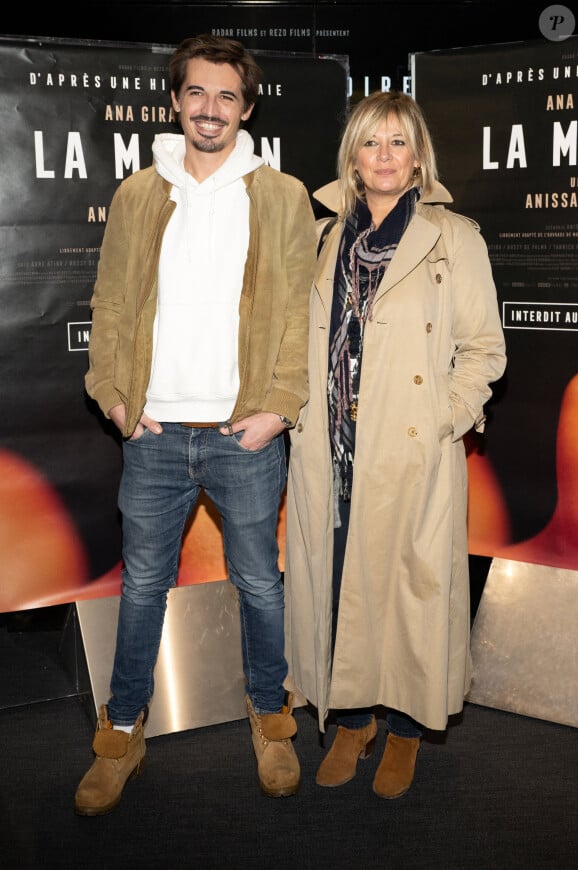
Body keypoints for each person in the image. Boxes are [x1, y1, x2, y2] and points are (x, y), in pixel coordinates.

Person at [74, 33, 317, 816]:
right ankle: (121, 730)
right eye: (197, 94)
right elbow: (110, 301)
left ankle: (270, 719)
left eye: (227, 97)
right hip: (151, 434)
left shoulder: (280, 196)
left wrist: (278, 410)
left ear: (247, 108)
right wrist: (113, 395)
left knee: (259, 586)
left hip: (242, 435)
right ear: (176, 101)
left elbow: (296, 316)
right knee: (142, 586)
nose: (210, 109)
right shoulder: (139, 193)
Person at [284, 90, 507, 799]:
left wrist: (443, 415)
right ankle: (352, 719)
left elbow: (483, 350)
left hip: (411, 450)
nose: (384, 156)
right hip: (332, 449)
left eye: (398, 142)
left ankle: (406, 729)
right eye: (371, 142)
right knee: (343, 584)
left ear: (418, 157)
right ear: (352, 155)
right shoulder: (321, 239)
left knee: (411, 590)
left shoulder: (455, 238)